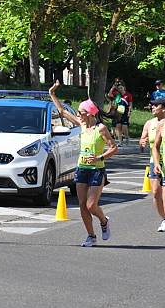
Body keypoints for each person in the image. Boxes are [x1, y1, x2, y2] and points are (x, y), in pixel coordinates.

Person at [49, 80, 118, 247]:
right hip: (82, 169)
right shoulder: (81, 125)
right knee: (82, 205)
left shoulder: (100, 129)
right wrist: (52, 93)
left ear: (90, 113)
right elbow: (62, 112)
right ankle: (91, 236)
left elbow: (114, 148)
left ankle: (103, 220)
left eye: (81, 112)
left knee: (91, 205)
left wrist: (99, 158)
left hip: (97, 170)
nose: (78, 115)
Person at [140, 98, 165, 231]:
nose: (152, 107)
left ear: (164, 108)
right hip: (155, 161)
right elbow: (143, 139)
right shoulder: (149, 123)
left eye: (156, 105)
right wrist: (142, 142)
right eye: (152, 105)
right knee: (156, 192)